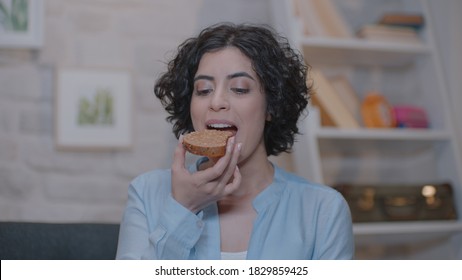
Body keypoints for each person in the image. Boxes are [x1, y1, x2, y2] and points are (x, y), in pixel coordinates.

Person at [116, 23, 354, 260]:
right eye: (203, 90)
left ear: (271, 106)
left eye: (239, 89)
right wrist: (183, 209)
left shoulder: (323, 210)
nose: (216, 101)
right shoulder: (146, 193)